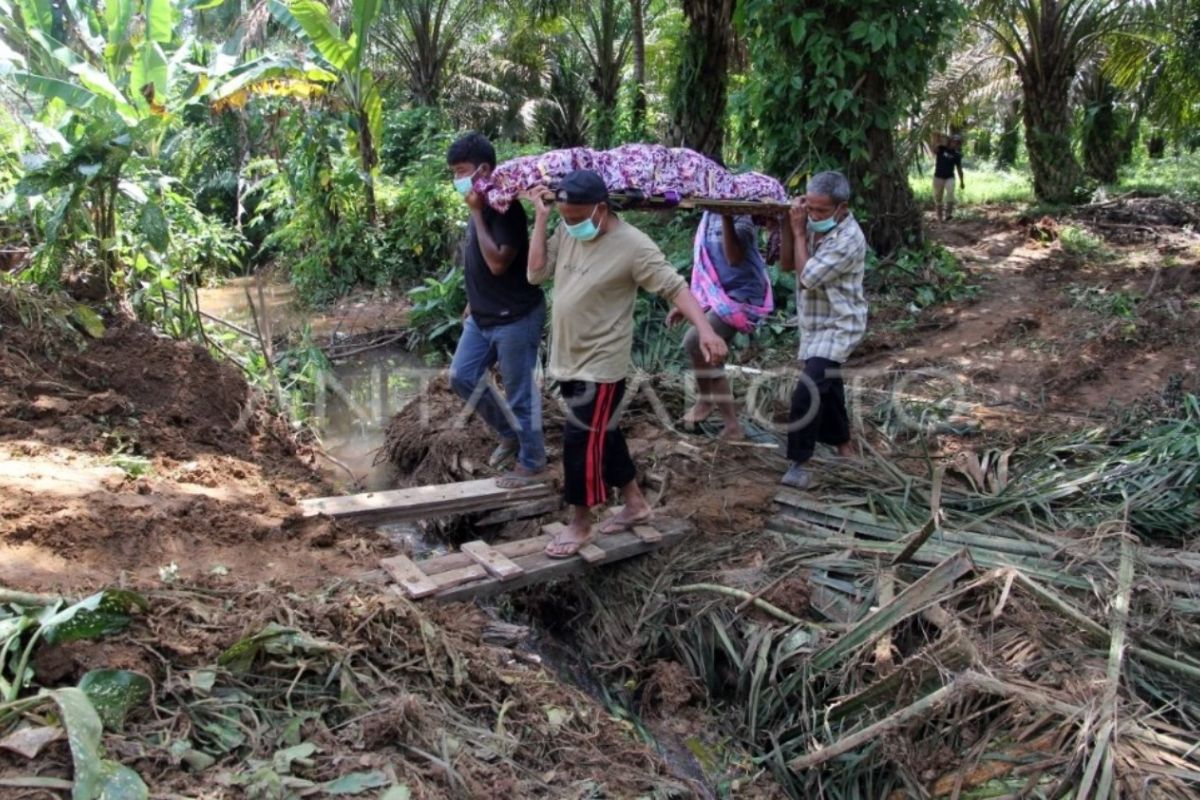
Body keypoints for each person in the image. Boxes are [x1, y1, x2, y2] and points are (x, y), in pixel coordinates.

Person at [526, 170, 728, 558]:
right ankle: (636, 504)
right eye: (565, 217)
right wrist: (542, 219)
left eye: (576, 217)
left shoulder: (633, 245)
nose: (570, 224)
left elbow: (674, 285)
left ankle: (581, 523)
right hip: (568, 356)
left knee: (580, 439)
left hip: (602, 363)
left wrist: (705, 330)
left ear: (600, 209)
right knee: (606, 434)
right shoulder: (567, 230)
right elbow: (536, 274)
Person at [445, 132, 547, 487]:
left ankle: (533, 461)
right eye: (453, 172)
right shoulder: (482, 205)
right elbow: (477, 264)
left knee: (520, 390)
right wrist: (473, 302)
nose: (456, 179)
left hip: (516, 317)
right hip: (483, 316)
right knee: (461, 376)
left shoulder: (504, 209)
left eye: (461, 170)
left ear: (483, 169)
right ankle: (510, 432)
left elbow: (499, 263)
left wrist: (475, 213)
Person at [778, 171, 867, 490]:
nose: (813, 216)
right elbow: (787, 265)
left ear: (842, 208)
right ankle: (844, 446)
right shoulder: (810, 225)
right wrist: (791, 226)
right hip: (815, 322)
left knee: (808, 388)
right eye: (809, 208)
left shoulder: (848, 239)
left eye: (821, 211)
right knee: (828, 385)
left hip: (840, 324)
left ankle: (798, 462)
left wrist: (801, 232)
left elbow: (806, 278)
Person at [668, 211, 773, 439]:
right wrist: (691, 303)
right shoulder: (707, 217)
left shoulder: (741, 219)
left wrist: (727, 216)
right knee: (699, 345)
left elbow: (733, 257)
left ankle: (716, 410)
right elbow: (706, 267)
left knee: (696, 341)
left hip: (743, 297)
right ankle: (715, 409)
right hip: (720, 296)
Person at [931, 133, 965, 221]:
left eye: (958, 143)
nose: (956, 144)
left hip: (950, 177)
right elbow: (934, 151)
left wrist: (962, 181)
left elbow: (959, 169)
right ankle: (939, 217)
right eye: (955, 142)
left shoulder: (957, 155)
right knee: (938, 198)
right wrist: (938, 142)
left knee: (950, 194)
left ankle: (948, 215)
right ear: (950, 142)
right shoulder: (942, 149)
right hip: (938, 177)